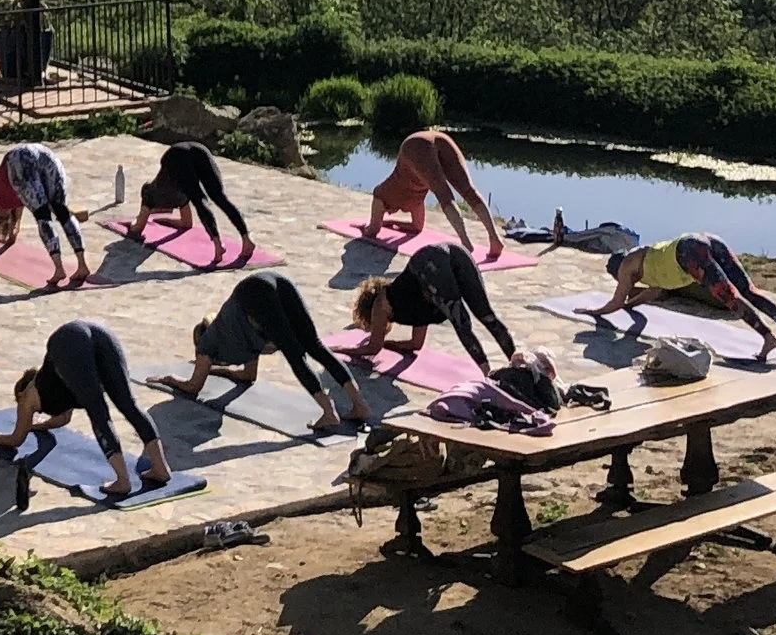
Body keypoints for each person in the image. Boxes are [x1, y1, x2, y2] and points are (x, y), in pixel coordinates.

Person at [148, 271, 371, 434]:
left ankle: (328, 413)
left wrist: (169, 378)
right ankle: (359, 404)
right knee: (315, 346)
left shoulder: (207, 343)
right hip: (277, 280)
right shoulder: (238, 333)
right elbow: (248, 376)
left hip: (254, 292)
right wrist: (218, 372)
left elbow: (193, 387)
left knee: (295, 355)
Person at [0, 320, 174, 499]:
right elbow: (61, 420)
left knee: (99, 411)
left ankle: (123, 481)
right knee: (128, 404)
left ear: (20, 393)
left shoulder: (27, 395)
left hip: (67, 341)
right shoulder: (65, 377)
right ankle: (160, 468)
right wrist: (37, 426)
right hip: (99, 333)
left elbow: (16, 439)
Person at [595, 234, 776, 362]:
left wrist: (594, 312)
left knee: (730, 297)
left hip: (689, 252)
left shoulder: (625, 265)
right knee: (749, 291)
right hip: (704, 240)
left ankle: (768, 337)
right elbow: (653, 292)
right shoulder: (651, 266)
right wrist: (631, 306)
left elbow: (616, 301)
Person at [347, 242, 517, 375]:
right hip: (454, 251)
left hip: (429, 263)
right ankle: (518, 364)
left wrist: (341, 349)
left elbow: (373, 348)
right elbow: (416, 344)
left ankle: (490, 375)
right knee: (485, 317)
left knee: (462, 322)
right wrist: (389, 344)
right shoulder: (414, 305)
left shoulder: (381, 302)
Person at [0, 143, 89, 286]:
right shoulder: (18, 195)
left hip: (20, 159)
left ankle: (62, 269)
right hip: (43, 154)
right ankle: (81, 266)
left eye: (0, 218)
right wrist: (10, 239)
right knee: (60, 211)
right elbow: (16, 227)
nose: (4, 216)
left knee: (46, 215)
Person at [366, 129, 504, 260]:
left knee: (444, 196)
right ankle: (495, 238)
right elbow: (417, 227)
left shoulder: (380, 194)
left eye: (388, 213)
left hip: (414, 146)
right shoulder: (415, 201)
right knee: (468, 191)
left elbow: (372, 230)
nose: (390, 213)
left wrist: (366, 228)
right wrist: (390, 223)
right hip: (440, 138)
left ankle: (466, 243)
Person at [122, 140, 256, 266]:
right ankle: (246, 238)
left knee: (199, 200)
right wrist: (165, 220)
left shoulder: (149, 194)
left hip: (176, 157)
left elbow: (137, 228)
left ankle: (218, 244)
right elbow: (187, 223)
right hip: (199, 150)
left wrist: (132, 223)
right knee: (219, 197)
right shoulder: (179, 193)